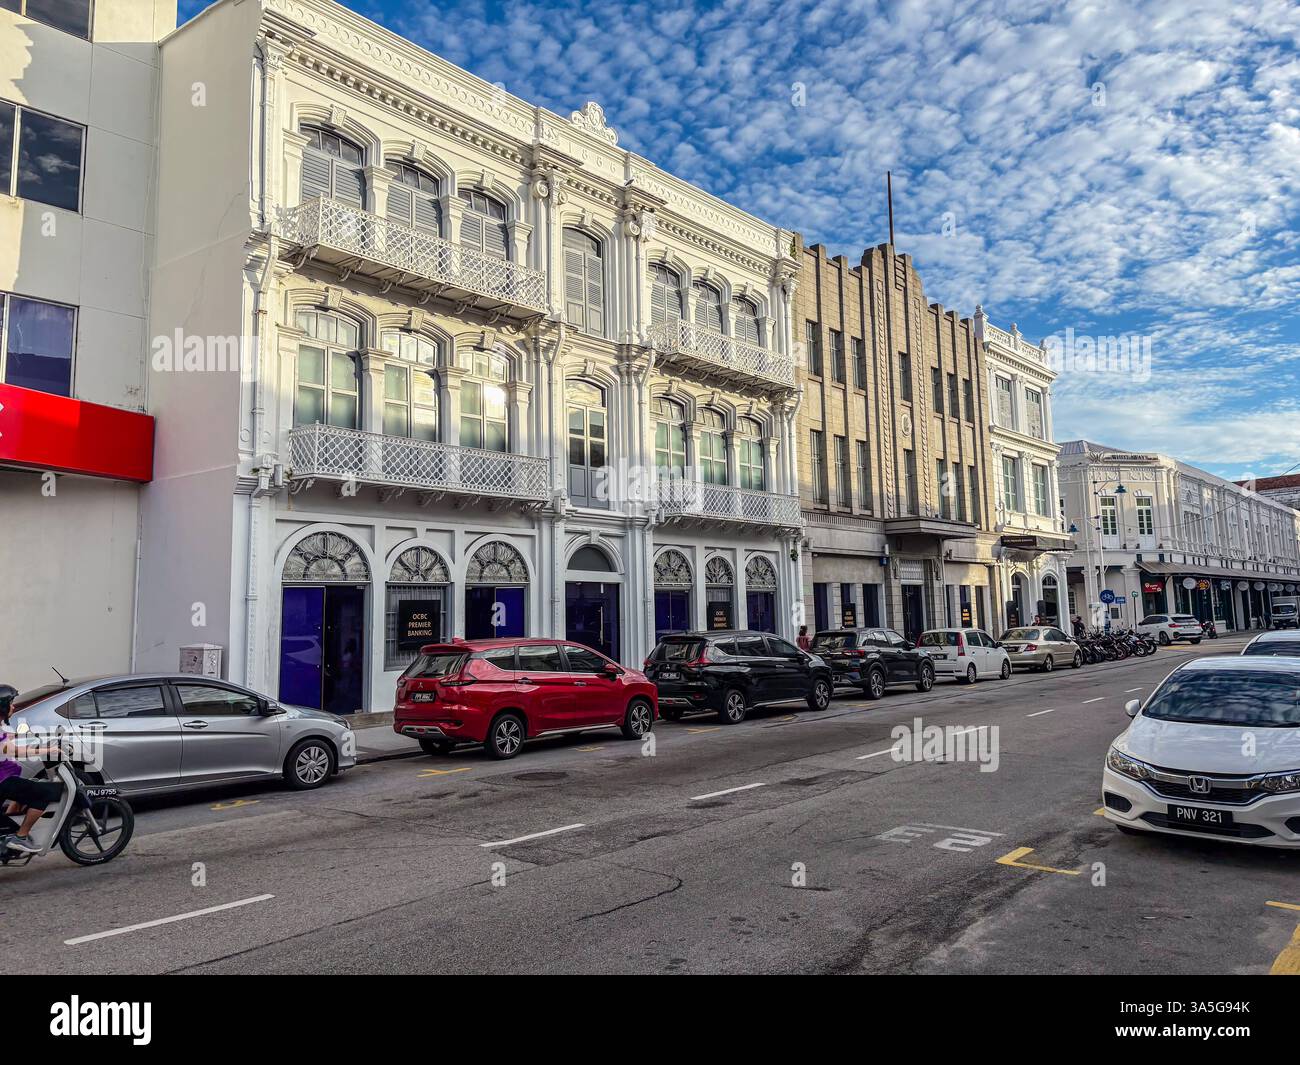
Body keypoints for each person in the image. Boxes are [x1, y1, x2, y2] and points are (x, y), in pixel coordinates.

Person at [0, 684, 65, 854]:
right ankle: (20, 837)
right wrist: (47, 750)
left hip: (5, 779)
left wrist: (23, 735)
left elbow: (4, 740)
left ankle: (9, 828)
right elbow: (13, 751)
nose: (13, 707)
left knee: (26, 787)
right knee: (44, 794)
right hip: (3, 781)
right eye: (10, 703)